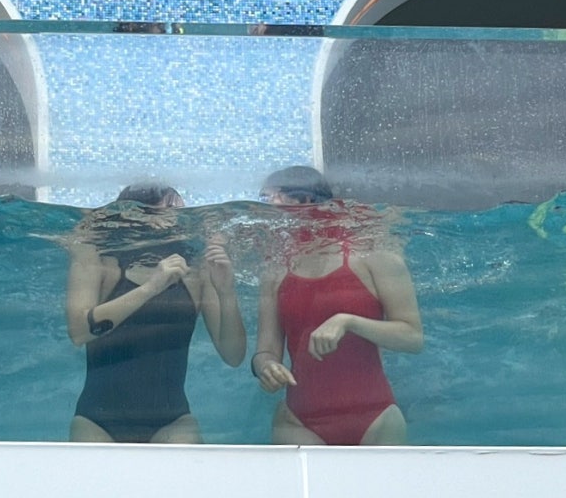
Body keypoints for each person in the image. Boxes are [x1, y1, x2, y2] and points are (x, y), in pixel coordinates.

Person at [252, 166, 423, 445]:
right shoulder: (275, 270)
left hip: (376, 419)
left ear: (305, 200)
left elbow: (413, 338)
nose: (262, 210)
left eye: (268, 198)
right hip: (298, 421)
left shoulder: (374, 254)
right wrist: (266, 366)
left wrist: (348, 321)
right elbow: (266, 349)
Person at [67, 182, 246, 442]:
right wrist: (151, 287)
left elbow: (234, 355)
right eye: (172, 208)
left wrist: (227, 292)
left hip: (173, 422)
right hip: (96, 421)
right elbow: (79, 332)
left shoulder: (196, 271)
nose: (182, 220)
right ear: (136, 214)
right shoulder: (99, 259)